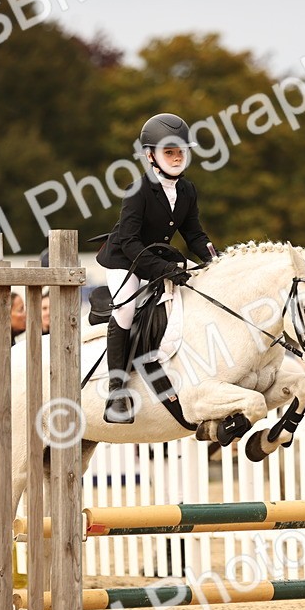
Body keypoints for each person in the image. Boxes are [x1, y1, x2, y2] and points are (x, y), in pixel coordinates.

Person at [96, 112, 216, 424]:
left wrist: (216, 260)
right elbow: (130, 241)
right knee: (125, 309)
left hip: (160, 258)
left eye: (180, 152)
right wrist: (164, 268)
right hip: (125, 260)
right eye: (169, 152)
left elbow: (194, 234)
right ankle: (117, 389)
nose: (177, 158)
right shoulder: (137, 190)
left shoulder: (188, 190)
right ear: (151, 156)